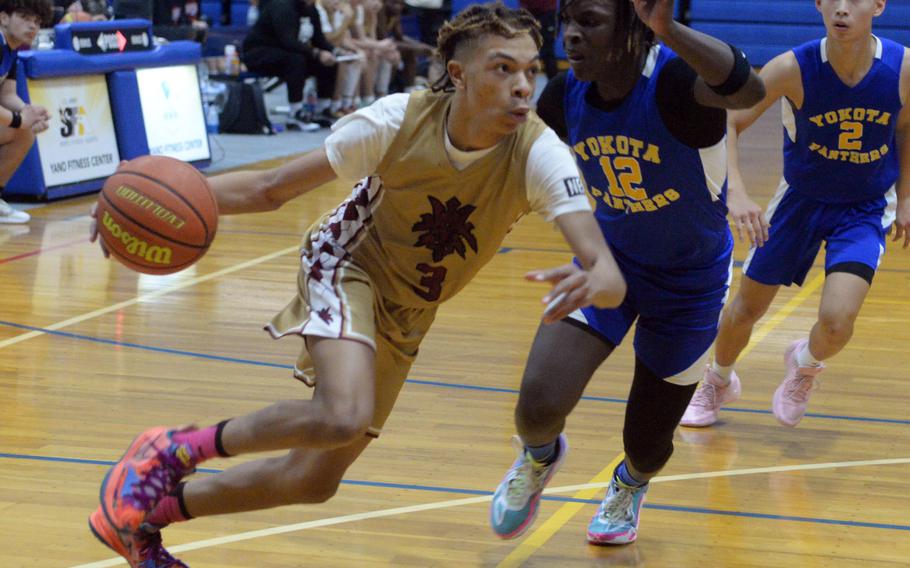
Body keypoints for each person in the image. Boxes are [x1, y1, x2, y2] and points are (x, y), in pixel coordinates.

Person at [86, 4, 627, 566]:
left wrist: (597, 282)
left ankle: (139, 518)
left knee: (311, 480)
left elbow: (608, 275)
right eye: (502, 69)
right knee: (342, 413)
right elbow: (270, 188)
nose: (522, 86)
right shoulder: (395, 121)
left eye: (530, 71)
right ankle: (172, 449)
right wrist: (137, 199)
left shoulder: (541, 154)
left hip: (411, 309)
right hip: (348, 263)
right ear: (459, 73)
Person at [489, 0, 764, 545]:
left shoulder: (676, 85)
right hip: (608, 265)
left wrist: (667, 28)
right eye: (566, 21)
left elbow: (749, 91)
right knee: (537, 406)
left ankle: (629, 484)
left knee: (646, 442)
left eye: (588, 21)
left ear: (634, 29)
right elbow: (521, 167)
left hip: (689, 287)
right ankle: (539, 460)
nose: (570, 36)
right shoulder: (564, 96)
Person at [680, 0, 909, 429]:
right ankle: (718, 379)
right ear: (819, 5)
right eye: (832, 0)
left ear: (878, 5)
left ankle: (804, 364)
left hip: (865, 208)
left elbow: (906, 128)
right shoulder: (793, 67)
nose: (842, 10)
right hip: (800, 202)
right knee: (746, 308)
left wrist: (907, 197)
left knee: (837, 323)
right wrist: (737, 194)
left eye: (855, 0)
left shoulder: (903, 67)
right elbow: (726, 122)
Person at [242, 0, 338, 131]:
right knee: (296, 60)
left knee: (328, 61)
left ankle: (322, 108)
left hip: (285, 52)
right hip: (259, 52)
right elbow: (288, 41)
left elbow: (319, 39)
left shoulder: (311, 8)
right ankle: (295, 112)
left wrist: (334, 51)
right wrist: (317, 53)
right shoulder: (282, 6)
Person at [0, 0, 50, 224]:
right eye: (25, 18)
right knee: (20, 128)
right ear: (3, 18)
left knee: (25, 132)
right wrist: (19, 119)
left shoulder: (11, 50)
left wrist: (29, 113)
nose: (33, 26)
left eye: (37, 22)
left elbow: (6, 95)